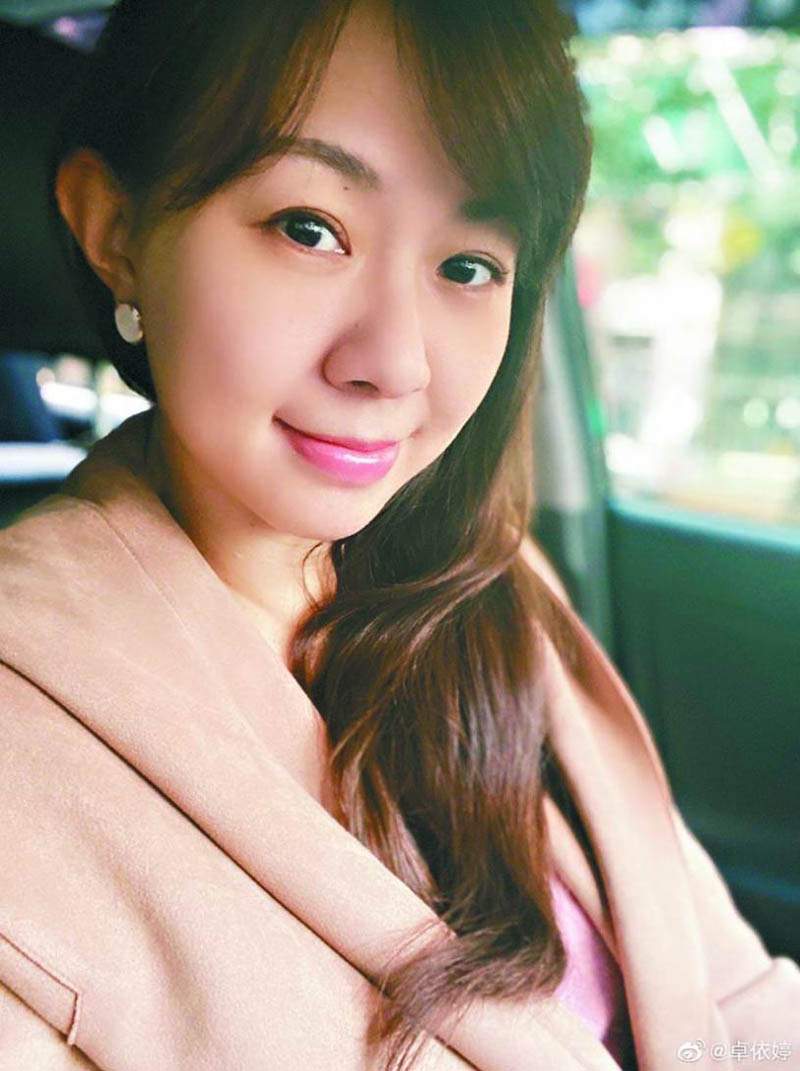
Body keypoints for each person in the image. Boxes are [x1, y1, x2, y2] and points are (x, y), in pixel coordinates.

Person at [0, 1, 797, 1069]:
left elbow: (736, 999)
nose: (396, 362)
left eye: (468, 266)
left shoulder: (493, 586)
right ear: (115, 232)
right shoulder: (26, 729)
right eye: (309, 228)